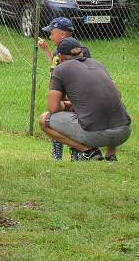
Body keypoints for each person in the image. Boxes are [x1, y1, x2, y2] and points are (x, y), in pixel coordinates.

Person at [39, 37, 131, 161]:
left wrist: (66, 105)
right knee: (113, 103)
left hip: (95, 135)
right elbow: (118, 94)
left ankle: (88, 151)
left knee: (44, 120)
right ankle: (110, 154)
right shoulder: (97, 64)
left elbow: (53, 108)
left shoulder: (60, 69)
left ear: (60, 57)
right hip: (124, 132)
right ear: (81, 52)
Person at [38, 17, 92, 160]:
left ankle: (77, 153)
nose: (50, 36)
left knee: (68, 123)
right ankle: (58, 155)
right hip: (61, 95)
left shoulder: (80, 51)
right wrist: (46, 50)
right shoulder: (58, 51)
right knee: (57, 120)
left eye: (52, 33)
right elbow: (54, 68)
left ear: (62, 34)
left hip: (75, 97)